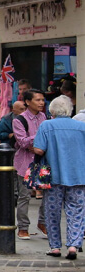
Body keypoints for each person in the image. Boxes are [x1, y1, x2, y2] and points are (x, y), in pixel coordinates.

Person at [33, 96, 85, 259]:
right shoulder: (81, 127)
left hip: (53, 176)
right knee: (76, 211)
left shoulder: (47, 126)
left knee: (52, 211)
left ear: (52, 111)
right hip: (78, 175)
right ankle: (73, 245)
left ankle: (55, 247)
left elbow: (39, 150)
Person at [13, 89, 48, 240]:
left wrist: (36, 142)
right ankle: (23, 227)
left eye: (42, 100)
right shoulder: (19, 120)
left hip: (42, 160)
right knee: (24, 196)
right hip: (25, 162)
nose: (41, 103)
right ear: (27, 102)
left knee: (46, 194)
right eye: (38, 100)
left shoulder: (44, 117)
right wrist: (40, 135)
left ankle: (43, 222)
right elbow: (22, 142)